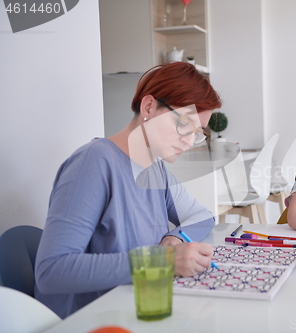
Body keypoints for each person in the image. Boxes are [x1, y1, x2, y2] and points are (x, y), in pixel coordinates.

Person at [35, 62, 222, 319]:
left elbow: (203, 215)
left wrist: (176, 239)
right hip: (92, 320)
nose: (189, 141)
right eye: (184, 126)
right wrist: (163, 260)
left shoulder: (156, 170)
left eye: (197, 133)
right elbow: (52, 271)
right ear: (148, 107)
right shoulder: (94, 163)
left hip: (136, 309)